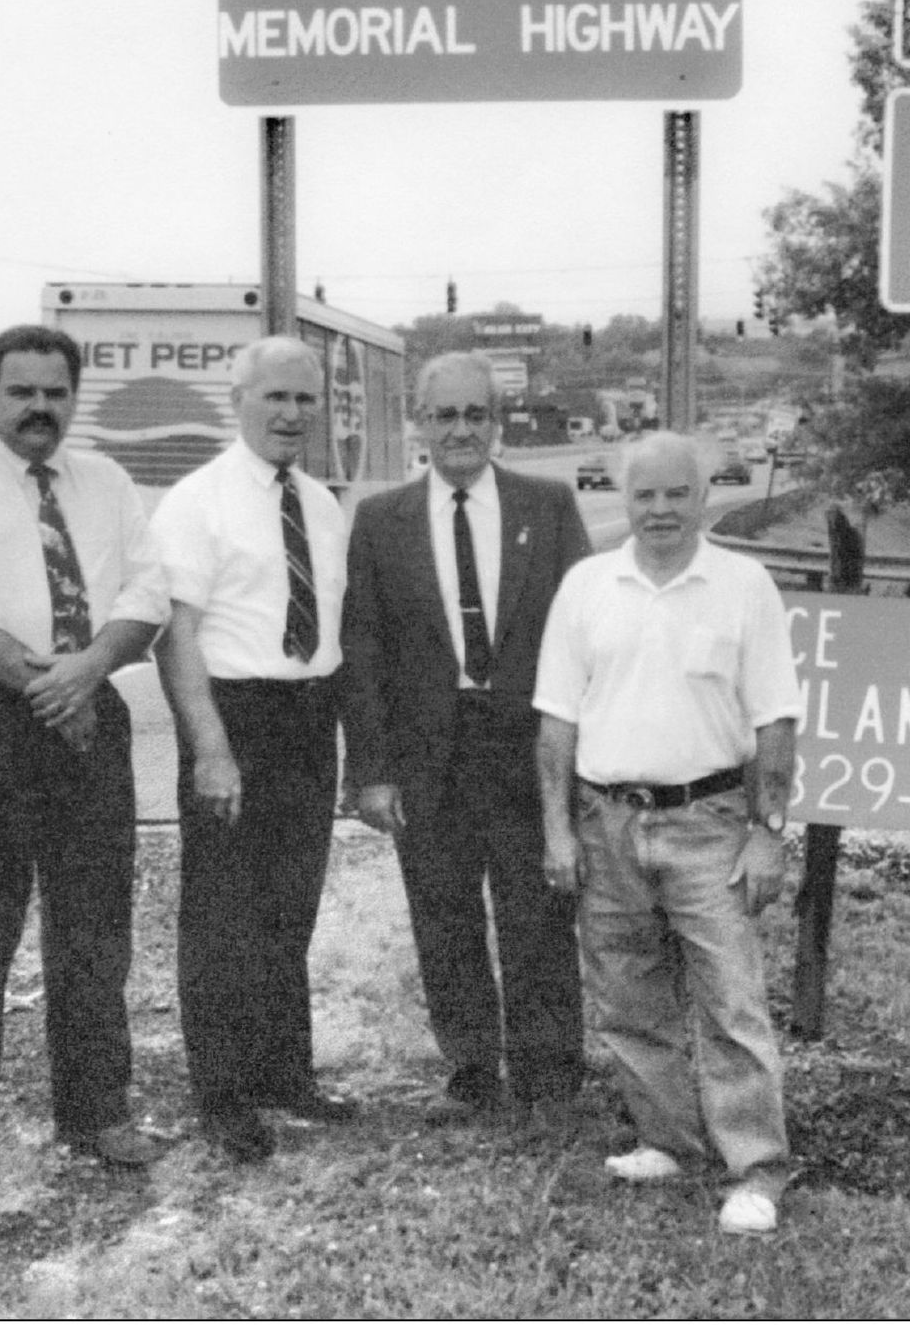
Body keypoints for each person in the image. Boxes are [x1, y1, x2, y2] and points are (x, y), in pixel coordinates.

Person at [0, 324, 169, 1194]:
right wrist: (54, 692)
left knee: (93, 930)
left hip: (89, 709)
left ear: (73, 398)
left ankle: (96, 1111)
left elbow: (146, 592)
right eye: (22, 391)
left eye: (55, 392)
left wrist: (90, 670)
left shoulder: (108, 483)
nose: (39, 408)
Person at [533, 431, 802, 1235]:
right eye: (643, 494)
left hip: (709, 824)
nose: (659, 510)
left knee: (731, 1004)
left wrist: (768, 832)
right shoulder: (586, 585)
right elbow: (555, 724)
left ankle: (755, 1170)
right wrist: (558, 831)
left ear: (703, 494)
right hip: (605, 820)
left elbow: (775, 721)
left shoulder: (744, 584)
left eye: (675, 494)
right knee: (626, 999)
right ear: (624, 498)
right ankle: (666, 1140)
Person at [341, 352, 590, 1120]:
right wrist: (371, 772)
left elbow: (584, 632)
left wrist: (583, 757)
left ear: (497, 421)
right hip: (429, 754)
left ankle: (548, 1075)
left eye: (474, 415)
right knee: (443, 915)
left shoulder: (546, 507)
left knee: (537, 913)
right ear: (420, 422)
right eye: (444, 416)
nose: (460, 431)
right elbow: (364, 649)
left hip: (526, 747)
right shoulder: (381, 520)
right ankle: (473, 1070)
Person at [150, 336, 358, 1163]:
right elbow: (177, 637)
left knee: (289, 908)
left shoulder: (323, 503)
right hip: (234, 720)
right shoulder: (195, 502)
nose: (290, 413)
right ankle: (224, 1097)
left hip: (309, 721)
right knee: (222, 919)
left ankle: (284, 1075)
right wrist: (210, 750)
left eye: (304, 400)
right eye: (274, 397)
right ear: (238, 399)